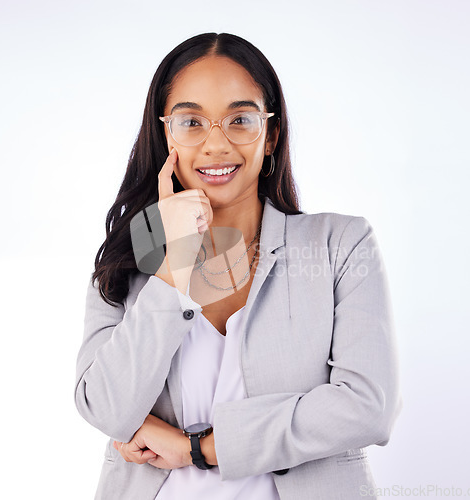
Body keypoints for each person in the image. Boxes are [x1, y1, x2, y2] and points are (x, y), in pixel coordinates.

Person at [74, 32, 403, 500]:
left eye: (240, 119)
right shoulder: (126, 260)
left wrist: (200, 448)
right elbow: (106, 408)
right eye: (191, 121)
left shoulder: (341, 245)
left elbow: (369, 406)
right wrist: (172, 266)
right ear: (164, 132)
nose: (216, 144)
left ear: (270, 135)